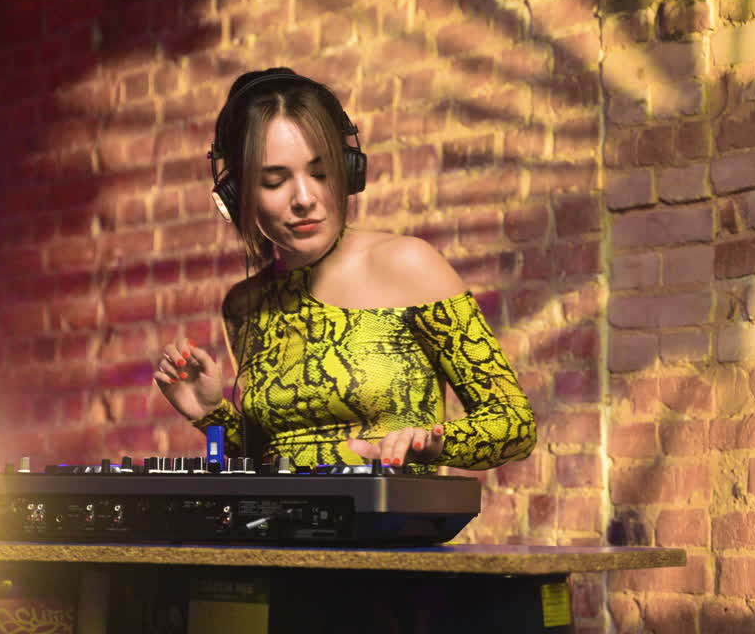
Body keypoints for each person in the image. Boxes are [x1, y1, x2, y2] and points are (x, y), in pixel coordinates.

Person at [153, 68, 536, 472]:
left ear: (349, 171)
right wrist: (210, 413)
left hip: (392, 532)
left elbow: (514, 426)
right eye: (274, 181)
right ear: (235, 194)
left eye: (320, 173)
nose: (305, 198)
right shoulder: (244, 304)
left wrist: (432, 443)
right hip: (275, 536)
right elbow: (268, 460)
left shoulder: (408, 265)